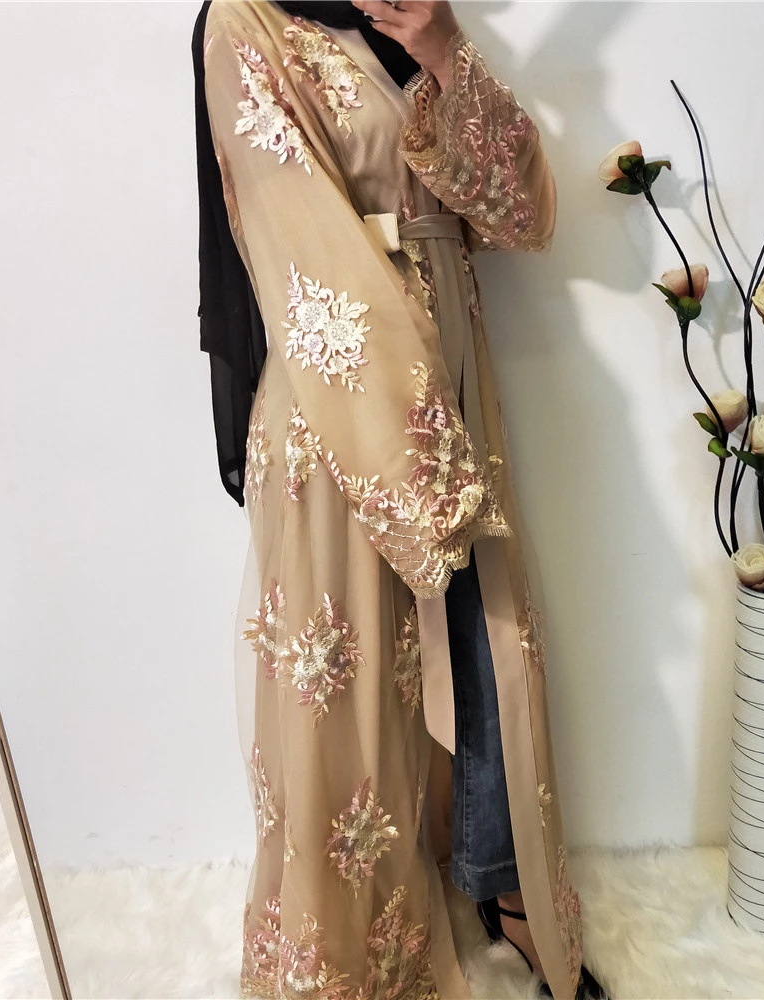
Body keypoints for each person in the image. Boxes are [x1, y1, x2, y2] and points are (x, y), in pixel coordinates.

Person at [192, 1, 607, 997]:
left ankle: (501, 883)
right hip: (342, 395)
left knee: (486, 652)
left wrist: (442, 51)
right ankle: (353, 951)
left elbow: (522, 216)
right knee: (355, 681)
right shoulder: (248, 25)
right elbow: (302, 253)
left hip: (455, 381)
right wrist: (421, 456)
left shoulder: (411, 14)